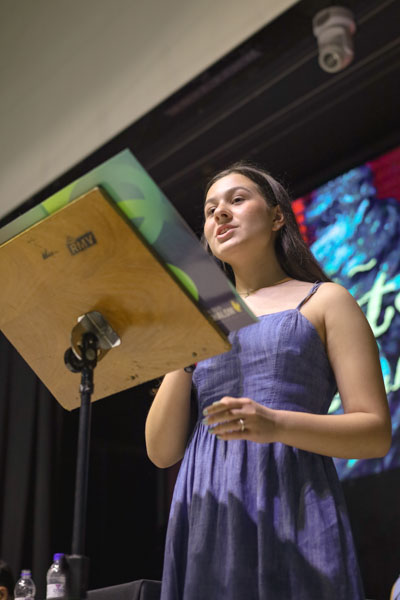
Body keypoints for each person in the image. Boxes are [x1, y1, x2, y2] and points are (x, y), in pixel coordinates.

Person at [145, 162, 391, 599]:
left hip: (290, 495)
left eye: (237, 200)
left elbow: (374, 434)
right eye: (210, 210)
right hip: (206, 506)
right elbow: (162, 452)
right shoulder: (202, 318)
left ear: (278, 216)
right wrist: (188, 337)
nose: (220, 214)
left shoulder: (326, 300)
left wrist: (275, 424)